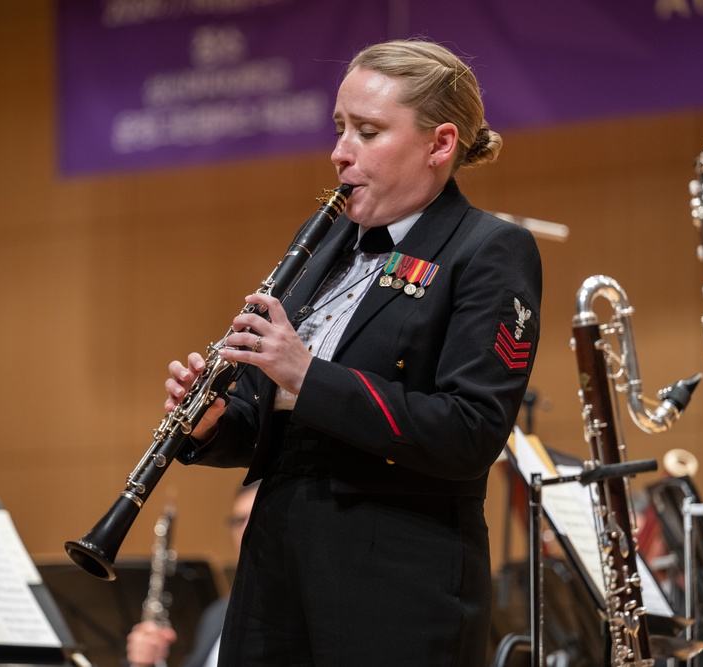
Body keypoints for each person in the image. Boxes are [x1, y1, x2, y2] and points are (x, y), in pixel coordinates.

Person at [165, 38, 542, 666]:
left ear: (440, 144)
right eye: (340, 128)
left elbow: (470, 431)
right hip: (274, 575)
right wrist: (214, 425)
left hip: (396, 585)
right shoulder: (325, 246)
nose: (341, 152)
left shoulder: (487, 251)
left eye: (368, 131)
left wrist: (307, 374)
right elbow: (274, 419)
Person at [125, 482, 258, 667]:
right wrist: (147, 663)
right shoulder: (217, 614)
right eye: (239, 521)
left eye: (256, 519)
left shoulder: (302, 610)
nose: (246, 531)